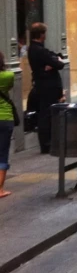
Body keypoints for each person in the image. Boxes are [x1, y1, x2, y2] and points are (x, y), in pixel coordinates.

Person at [28, 22, 65, 154]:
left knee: (46, 114)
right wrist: (55, 62)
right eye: (45, 33)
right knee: (46, 115)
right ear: (42, 34)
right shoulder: (39, 50)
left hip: (43, 85)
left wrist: (53, 62)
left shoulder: (35, 48)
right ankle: (46, 144)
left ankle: (48, 143)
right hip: (47, 86)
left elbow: (57, 57)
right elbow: (59, 63)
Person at [0, 52, 14, 198]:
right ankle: (0, 189)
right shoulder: (8, 76)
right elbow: (9, 87)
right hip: (5, 118)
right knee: (2, 153)